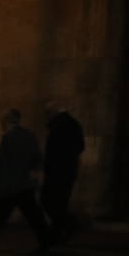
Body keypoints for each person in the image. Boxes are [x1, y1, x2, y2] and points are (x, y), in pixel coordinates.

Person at [0, 108, 53, 254]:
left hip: (11, 185)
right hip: (24, 183)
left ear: (6, 121)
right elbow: (36, 158)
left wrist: (1, 187)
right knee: (33, 216)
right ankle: (46, 241)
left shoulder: (9, 137)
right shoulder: (29, 135)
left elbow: (4, 164)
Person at [42, 103, 85, 242]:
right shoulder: (74, 125)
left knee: (49, 201)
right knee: (59, 202)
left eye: (48, 113)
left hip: (57, 171)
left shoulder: (59, 126)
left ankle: (67, 224)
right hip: (68, 171)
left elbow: (53, 151)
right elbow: (80, 146)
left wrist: (55, 163)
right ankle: (58, 231)